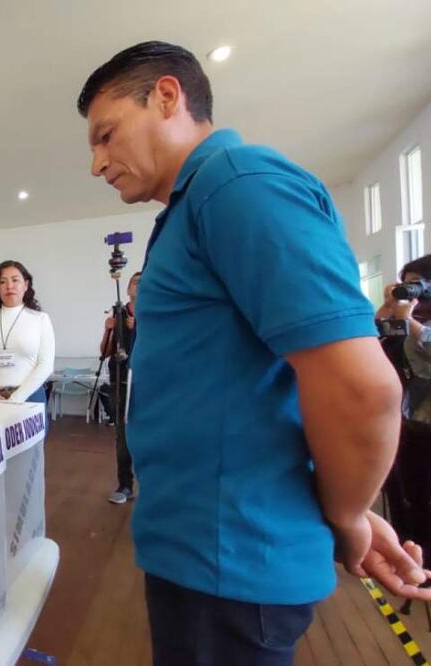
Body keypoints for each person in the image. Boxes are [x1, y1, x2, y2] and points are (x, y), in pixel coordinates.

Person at [78, 41, 431, 665]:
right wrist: (333, 501)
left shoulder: (236, 186)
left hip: (228, 563)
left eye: (106, 135)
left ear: (166, 96)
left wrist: (348, 514)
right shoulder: (196, 206)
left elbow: (362, 388)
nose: (97, 163)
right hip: (206, 552)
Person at [376, 256, 431, 562]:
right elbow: (369, 339)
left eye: (420, 286)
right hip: (408, 431)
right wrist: (388, 307)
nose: (415, 295)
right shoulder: (409, 322)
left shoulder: (417, 328)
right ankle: (412, 558)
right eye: (408, 286)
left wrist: (409, 322)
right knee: (408, 500)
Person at [0, 260, 55, 404]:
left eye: (15, 280)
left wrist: (15, 398)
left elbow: (46, 365)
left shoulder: (40, 319)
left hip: (29, 397)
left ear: (25, 285)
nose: (9, 286)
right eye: (2, 282)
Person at [98, 271, 139, 504]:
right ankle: (125, 485)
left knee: (148, 434)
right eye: (134, 282)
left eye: (143, 282)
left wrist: (140, 326)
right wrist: (109, 329)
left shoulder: (157, 314)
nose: (138, 285)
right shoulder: (119, 313)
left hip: (147, 382)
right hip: (120, 381)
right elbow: (104, 352)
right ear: (127, 289)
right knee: (122, 436)